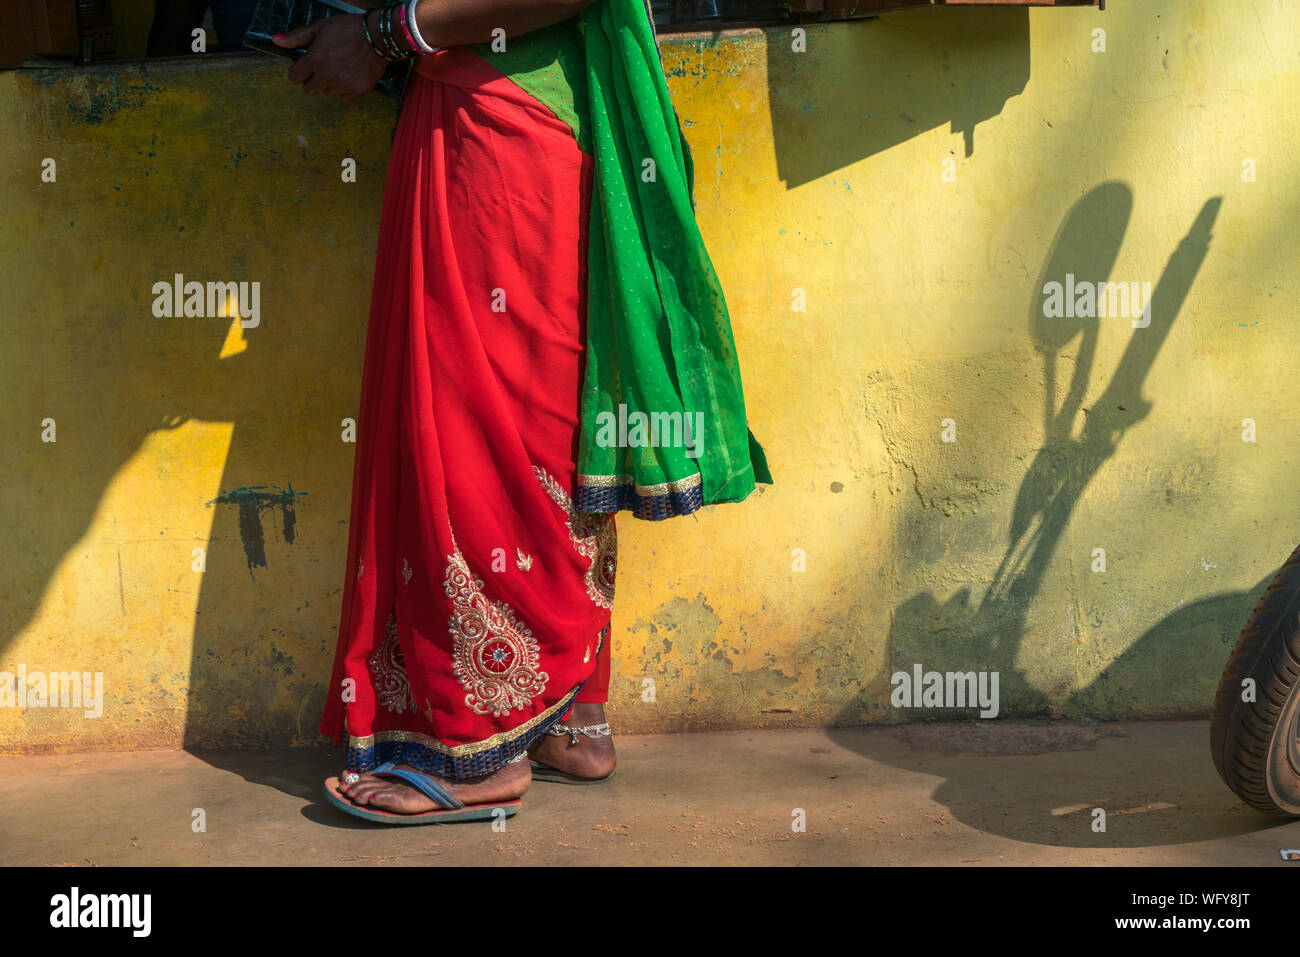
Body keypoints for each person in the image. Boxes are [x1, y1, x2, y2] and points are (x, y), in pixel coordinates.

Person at [276, 0, 770, 824]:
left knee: (482, 427)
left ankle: (482, 745)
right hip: (491, 102)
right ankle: (574, 717)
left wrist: (387, 34)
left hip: (508, 118)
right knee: (527, 415)